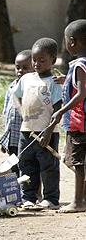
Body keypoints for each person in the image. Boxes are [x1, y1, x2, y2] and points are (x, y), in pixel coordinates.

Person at [13, 37, 63, 210]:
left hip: (46, 133)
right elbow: (15, 95)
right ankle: (28, 197)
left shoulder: (54, 83)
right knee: (26, 164)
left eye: (42, 60)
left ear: (53, 61)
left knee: (48, 166)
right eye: (34, 60)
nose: (36, 64)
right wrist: (21, 111)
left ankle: (51, 199)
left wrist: (48, 131)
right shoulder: (26, 79)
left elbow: (58, 110)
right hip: (26, 131)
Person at [44, 19, 86, 213]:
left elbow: (81, 93)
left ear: (71, 41)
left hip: (79, 123)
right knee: (75, 161)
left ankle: (78, 202)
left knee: (76, 163)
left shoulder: (79, 65)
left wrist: (61, 110)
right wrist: (65, 80)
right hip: (81, 122)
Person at [0, 49, 33, 177]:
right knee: (14, 168)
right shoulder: (12, 87)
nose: (20, 71)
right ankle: (19, 195)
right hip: (12, 139)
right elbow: (7, 115)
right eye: (17, 67)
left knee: (29, 167)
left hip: (27, 138)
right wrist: (5, 140)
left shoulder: (33, 88)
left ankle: (36, 194)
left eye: (25, 68)